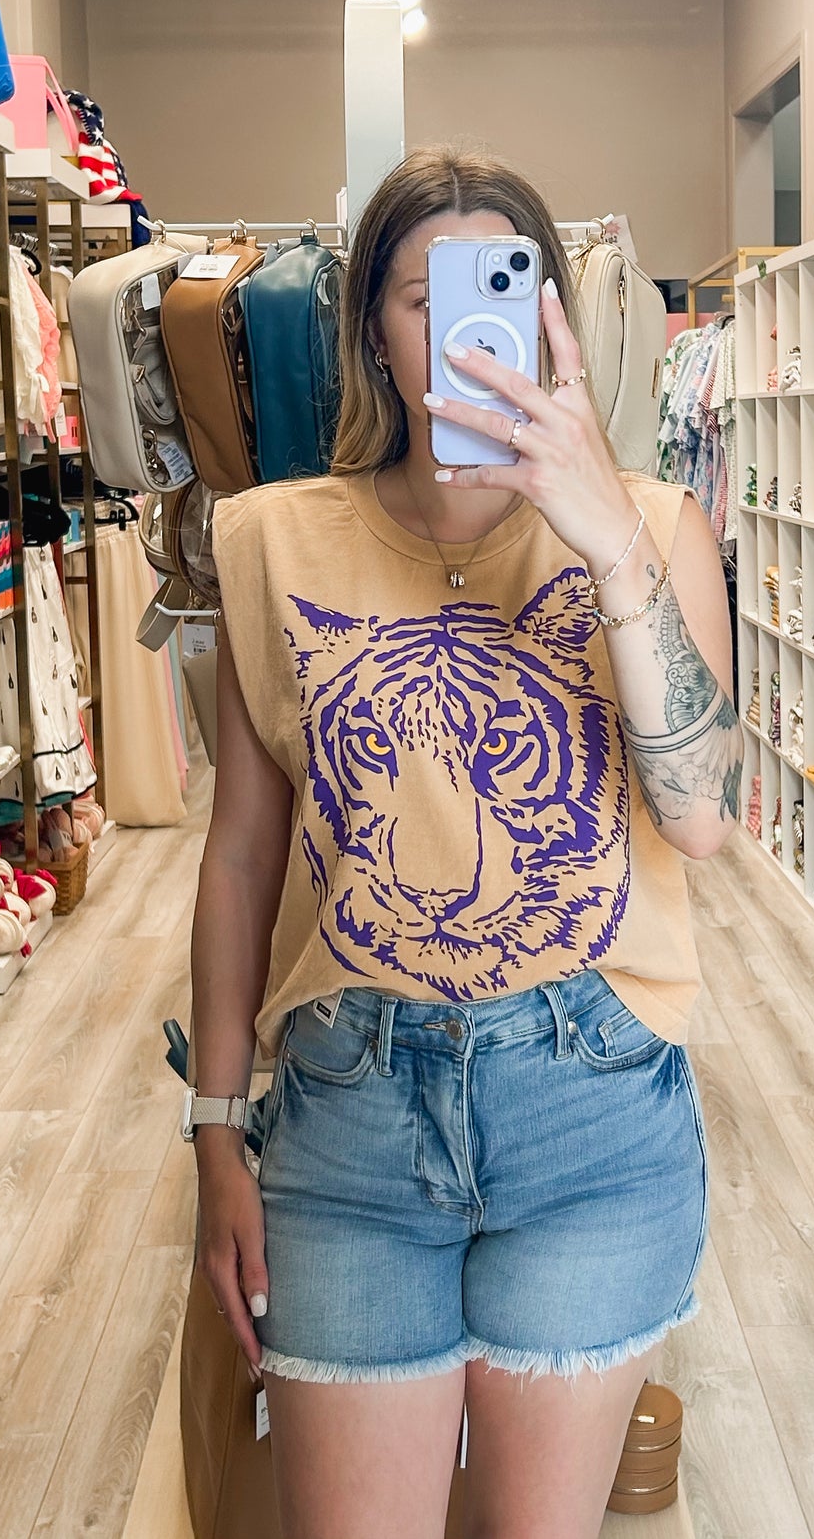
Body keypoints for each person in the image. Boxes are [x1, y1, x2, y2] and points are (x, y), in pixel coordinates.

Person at [189, 147, 740, 1539]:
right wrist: (213, 1130)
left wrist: (609, 542)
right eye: (421, 296)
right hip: (347, 1116)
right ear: (372, 328)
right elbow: (241, 860)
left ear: (551, 310)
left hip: (591, 1106)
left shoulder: (655, 527)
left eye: (495, 285)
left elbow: (700, 815)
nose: (463, 325)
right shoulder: (271, 544)